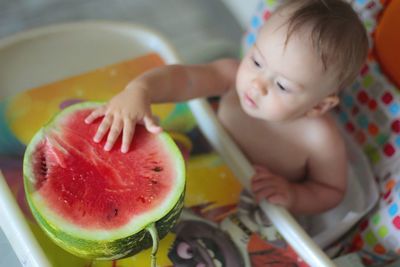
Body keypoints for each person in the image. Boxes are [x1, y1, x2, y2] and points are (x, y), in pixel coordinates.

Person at [84, 0, 368, 216]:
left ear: (318, 105)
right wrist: (140, 90)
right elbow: (184, 78)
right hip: (200, 159)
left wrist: (293, 195)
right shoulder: (232, 76)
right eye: (257, 61)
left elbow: (331, 191)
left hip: (253, 204)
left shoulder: (319, 139)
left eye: (281, 85)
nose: (257, 84)